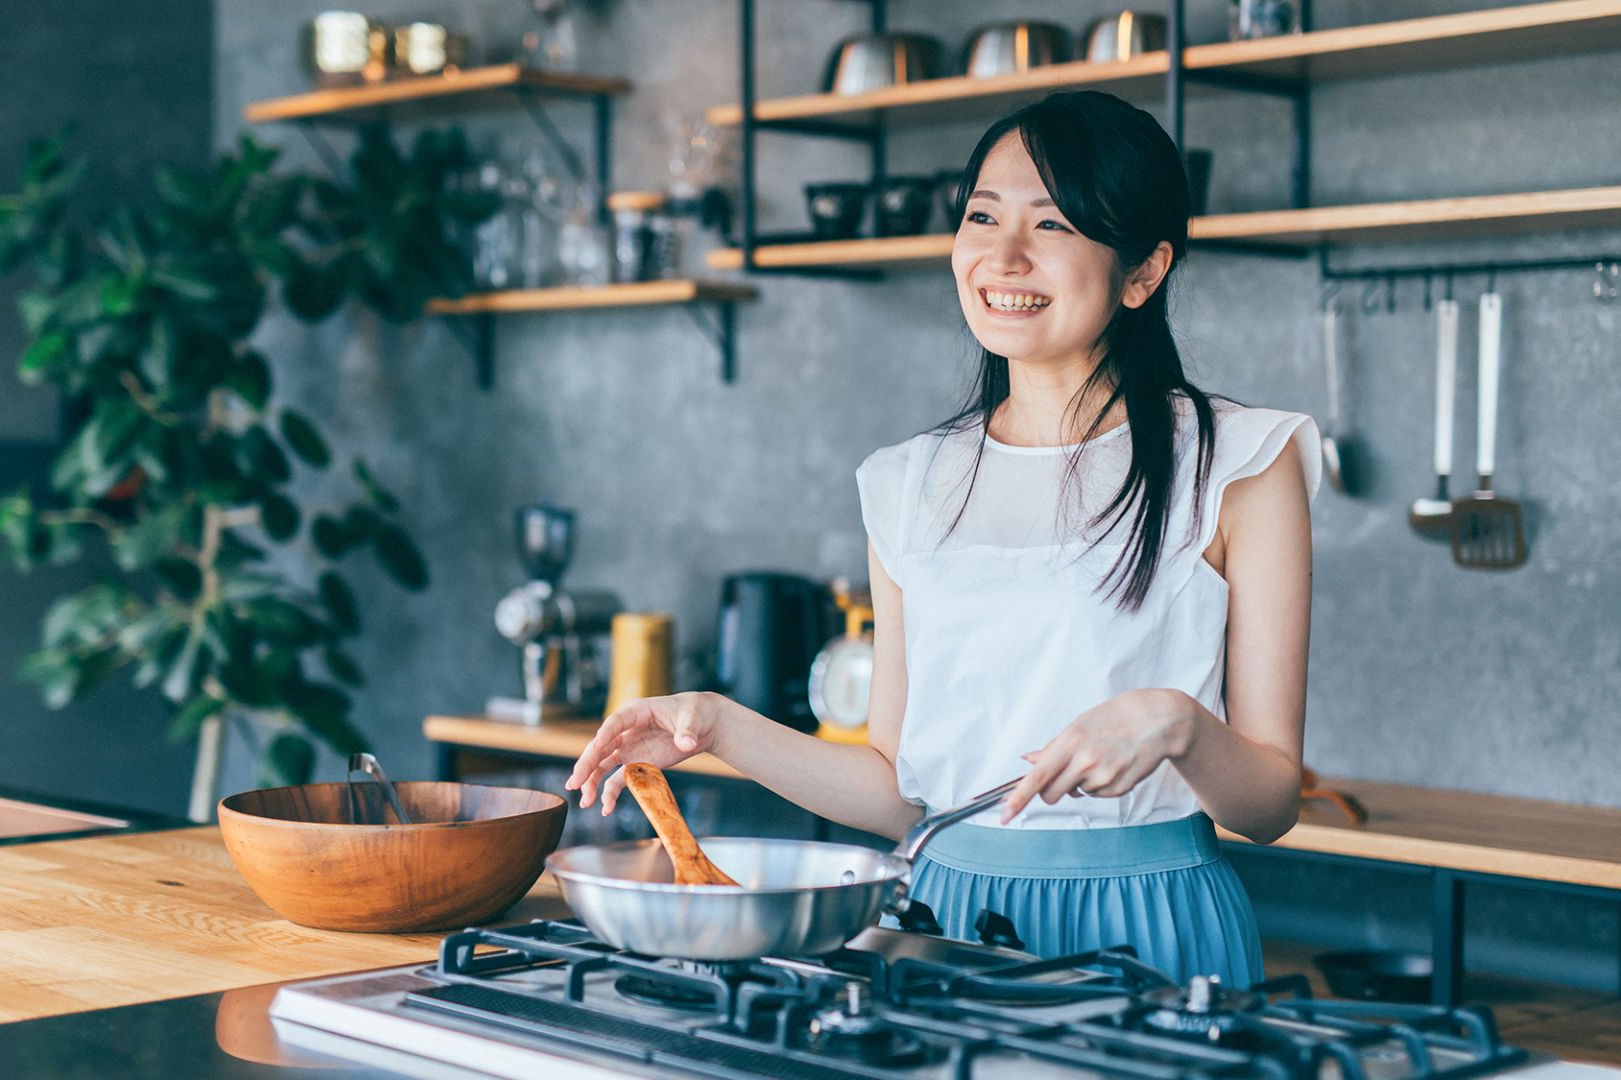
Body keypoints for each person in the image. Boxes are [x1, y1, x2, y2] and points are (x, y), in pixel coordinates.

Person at [564, 90, 1319, 987]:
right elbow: (898, 792)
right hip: (942, 922)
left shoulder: (1240, 462)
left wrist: (1181, 728)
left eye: (1054, 225)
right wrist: (717, 728)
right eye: (982, 216)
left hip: (1148, 923)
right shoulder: (908, 483)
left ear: (1143, 271)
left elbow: (1270, 804)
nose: (1003, 256)